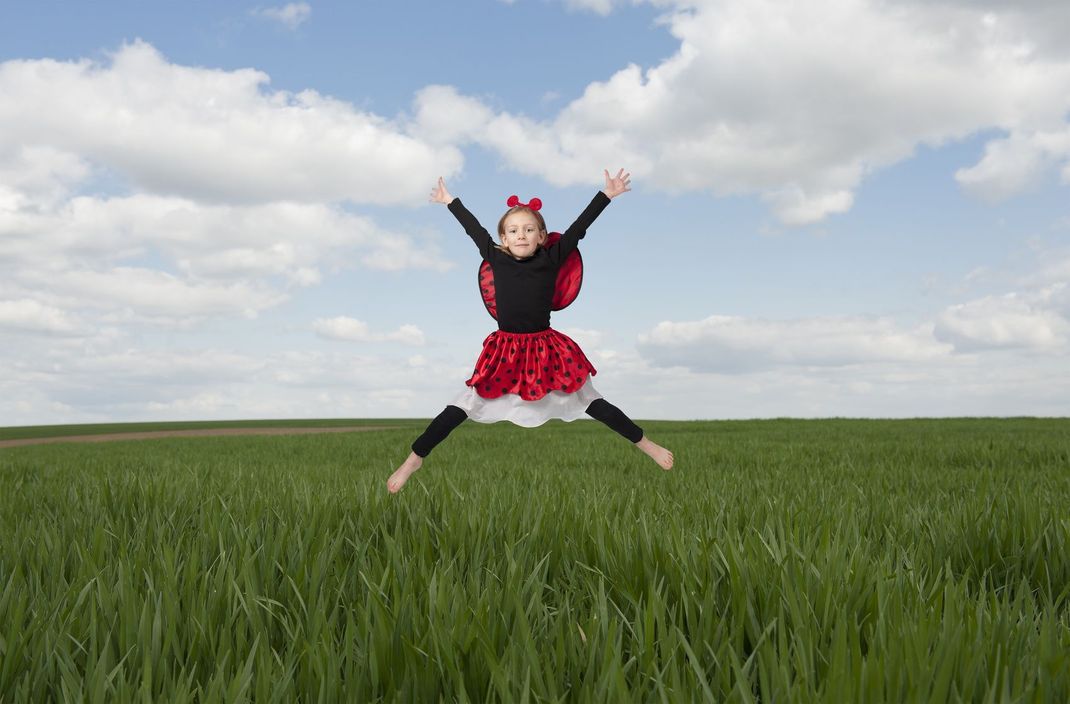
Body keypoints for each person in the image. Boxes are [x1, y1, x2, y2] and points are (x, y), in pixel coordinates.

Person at [387, 169, 674, 493]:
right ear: (503, 239)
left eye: (528, 229)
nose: (521, 235)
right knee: (462, 405)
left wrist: (605, 195)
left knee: (591, 400)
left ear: (541, 236)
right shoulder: (495, 257)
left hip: (545, 349)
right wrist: (449, 201)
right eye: (513, 230)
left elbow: (579, 229)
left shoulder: (551, 258)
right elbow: (473, 230)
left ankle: (645, 444)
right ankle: (415, 457)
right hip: (505, 352)